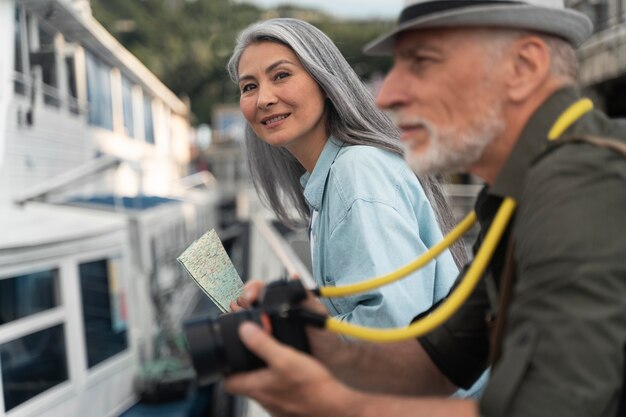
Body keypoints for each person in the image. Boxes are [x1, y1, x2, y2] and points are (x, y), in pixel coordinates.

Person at [223, 0, 626, 416]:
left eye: (422, 64)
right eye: (247, 86)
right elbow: (438, 360)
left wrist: (335, 405)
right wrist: (317, 336)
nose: (389, 95)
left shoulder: (584, 183)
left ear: (523, 67)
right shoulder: (513, 196)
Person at [227, 19, 474, 334]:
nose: (263, 99)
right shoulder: (334, 178)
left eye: (282, 75)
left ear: (325, 82)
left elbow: (391, 325)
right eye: (249, 86)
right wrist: (288, 310)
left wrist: (284, 336)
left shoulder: (356, 172)